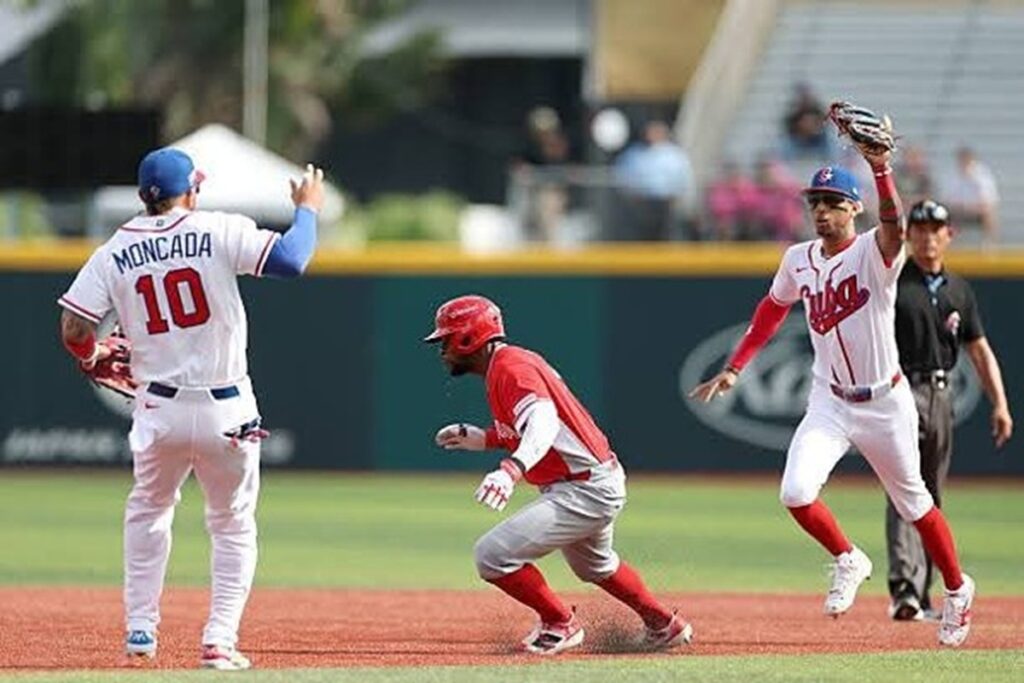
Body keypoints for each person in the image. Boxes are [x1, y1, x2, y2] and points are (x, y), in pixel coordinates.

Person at [689, 137, 976, 647]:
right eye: (815, 203)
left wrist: (882, 170)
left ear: (854, 208)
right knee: (796, 492)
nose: (821, 212)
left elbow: (895, 226)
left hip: (886, 402)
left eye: (833, 203)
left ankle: (957, 590)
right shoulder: (798, 258)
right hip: (830, 399)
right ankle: (848, 557)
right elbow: (772, 309)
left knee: (915, 504)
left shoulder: (874, 251)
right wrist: (735, 366)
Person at [58, 148, 324, 670]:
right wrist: (308, 208)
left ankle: (140, 632)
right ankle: (219, 641)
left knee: (149, 512)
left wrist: (91, 357)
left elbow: (74, 329)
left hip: (158, 408)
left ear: (142, 197)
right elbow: (293, 260)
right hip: (228, 407)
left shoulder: (114, 251)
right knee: (231, 525)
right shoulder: (216, 228)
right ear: (192, 190)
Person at [425, 295, 691, 655]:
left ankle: (560, 622)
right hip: (590, 481)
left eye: (446, 339)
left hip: (583, 489)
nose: (442, 349)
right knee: (595, 566)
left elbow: (544, 423)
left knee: (491, 556)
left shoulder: (510, 368)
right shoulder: (508, 363)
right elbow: (531, 430)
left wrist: (511, 470)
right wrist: (482, 438)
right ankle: (663, 623)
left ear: (470, 338)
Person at [887, 198, 1013, 621]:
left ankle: (921, 593)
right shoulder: (893, 282)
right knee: (904, 487)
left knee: (931, 493)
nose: (926, 237)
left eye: (934, 229)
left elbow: (978, 348)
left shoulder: (959, 289)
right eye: (918, 229)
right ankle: (904, 588)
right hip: (899, 388)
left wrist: (1000, 402)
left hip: (941, 392)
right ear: (908, 236)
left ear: (948, 235)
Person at [613, 120, 693, 240]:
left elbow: (683, 176)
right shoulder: (634, 153)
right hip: (641, 202)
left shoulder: (674, 154)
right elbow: (622, 174)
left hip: (666, 202)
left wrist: (677, 196)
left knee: (665, 234)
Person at [943, 147, 999, 245]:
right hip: (959, 211)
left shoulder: (982, 175)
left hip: (977, 211)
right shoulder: (952, 175)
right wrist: (961, 207)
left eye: (967, 159)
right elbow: (948, 200)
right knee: (946, 216)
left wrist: (972, 207)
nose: (964, 163)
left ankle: (989, 246)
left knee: (989, 215)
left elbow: (989, 201)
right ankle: (950, 247)